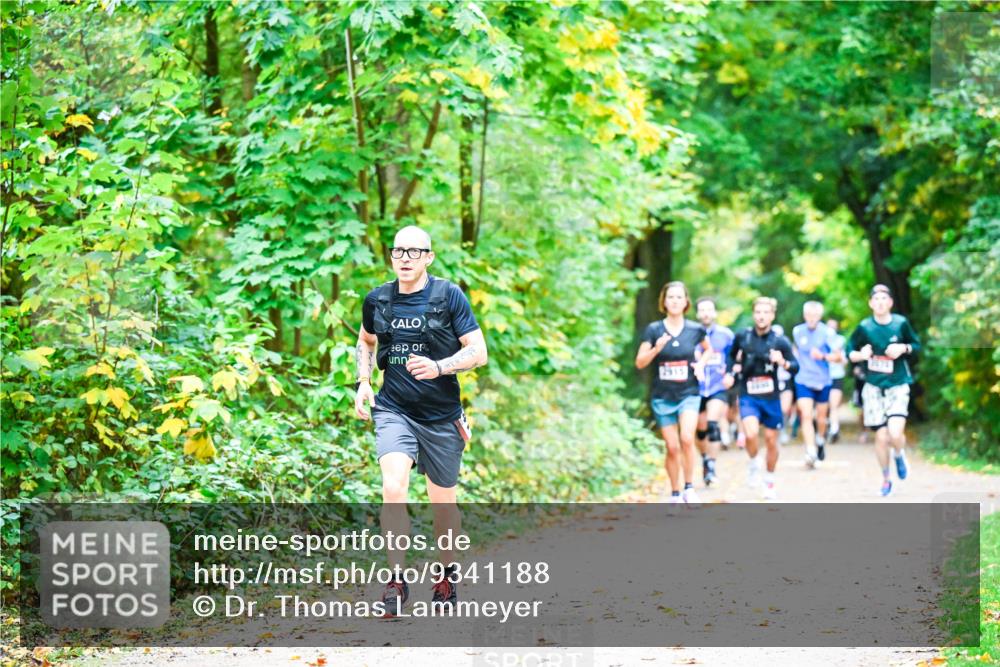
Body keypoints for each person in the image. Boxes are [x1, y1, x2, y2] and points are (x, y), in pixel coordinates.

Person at [354, 225, 488, 616]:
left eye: (415, 252)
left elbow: (478, 351)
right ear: (391, 256)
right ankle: (396, 582)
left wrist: (440, 367)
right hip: (394, 409)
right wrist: (364, 382)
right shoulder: (378, 299)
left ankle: (446, 574)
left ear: (429, 257)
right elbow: (366, 340)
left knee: (443, 504)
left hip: (441, 416)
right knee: (393, 486)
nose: (406, 258)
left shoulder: (448, 296)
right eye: (399, 251)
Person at [636, 281, 711, 508]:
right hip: (663, 396)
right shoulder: (654, 330)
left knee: (687, 438)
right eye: (671, 297)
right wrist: (656, 348)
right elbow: (640, 362)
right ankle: (675, 492)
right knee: (672, 447)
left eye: (679, 297)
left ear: (686, 301)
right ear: (664, 301)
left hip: (689, 392)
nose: (675, 301)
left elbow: (709, 350)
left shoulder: (695, 329)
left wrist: (701, 364)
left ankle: (689, 488)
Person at [847, 284, 921, 497]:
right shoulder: (864, 327)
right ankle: (886, 478)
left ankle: (899, 453)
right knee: (881, 437)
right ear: (870, 303)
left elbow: (916, 346)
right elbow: (849, 352)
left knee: (895, 433)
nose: (880, 303)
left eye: (883, 299)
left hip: (897, 384)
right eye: (876, 299)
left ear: (890, 303)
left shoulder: (900, 323)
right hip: (873, 387)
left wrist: (903, 348)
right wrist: (861, 355)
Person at [724, 297, 799, 500]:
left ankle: (769, 480)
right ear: (753, 314)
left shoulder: (779, 341)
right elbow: (730, 356)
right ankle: (753, 462)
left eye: (766, 312)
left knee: (771, 440)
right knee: (750, 434)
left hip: (771, 397)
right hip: (748, 394)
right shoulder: (743, 336)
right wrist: (730, 373)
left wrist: (782, 362)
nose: (761, 316)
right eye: (758, 312)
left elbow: (795, 367)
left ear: (772, 315)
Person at [792, 301, 843, 467]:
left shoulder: (828, 332)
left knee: (821, 418)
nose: (811, 318)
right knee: (806, 415)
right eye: (808, 315)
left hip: (823, 381)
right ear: (804, 315)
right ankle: (810, 450)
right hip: (803, 379)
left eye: (815, 315)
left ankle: (820, 440)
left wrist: (823, 356)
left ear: (820, 316)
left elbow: (839, 357)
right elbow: (796, 351)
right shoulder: (797, 331)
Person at [694, 297, 735, 486]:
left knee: (712, 424)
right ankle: (704, 458)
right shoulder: (690, 334)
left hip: (718, 386)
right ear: (697, 314)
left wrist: (731, 374)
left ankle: (711, 464)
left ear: (715, 313)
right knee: (700, 430)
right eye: (702, 310)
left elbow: (735, 357)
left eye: (709, 310)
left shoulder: (726, 335)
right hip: (696, 387)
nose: (706, 314)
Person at [826, 318, 848, 443]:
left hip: (837, 376)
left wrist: (836, 353)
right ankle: (824, 428)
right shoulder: (819, 339)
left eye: (833, 327)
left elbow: (845, 361)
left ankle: (834, 429)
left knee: (833, 405)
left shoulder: (841, 341)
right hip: (823, 377)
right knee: (824, 405)